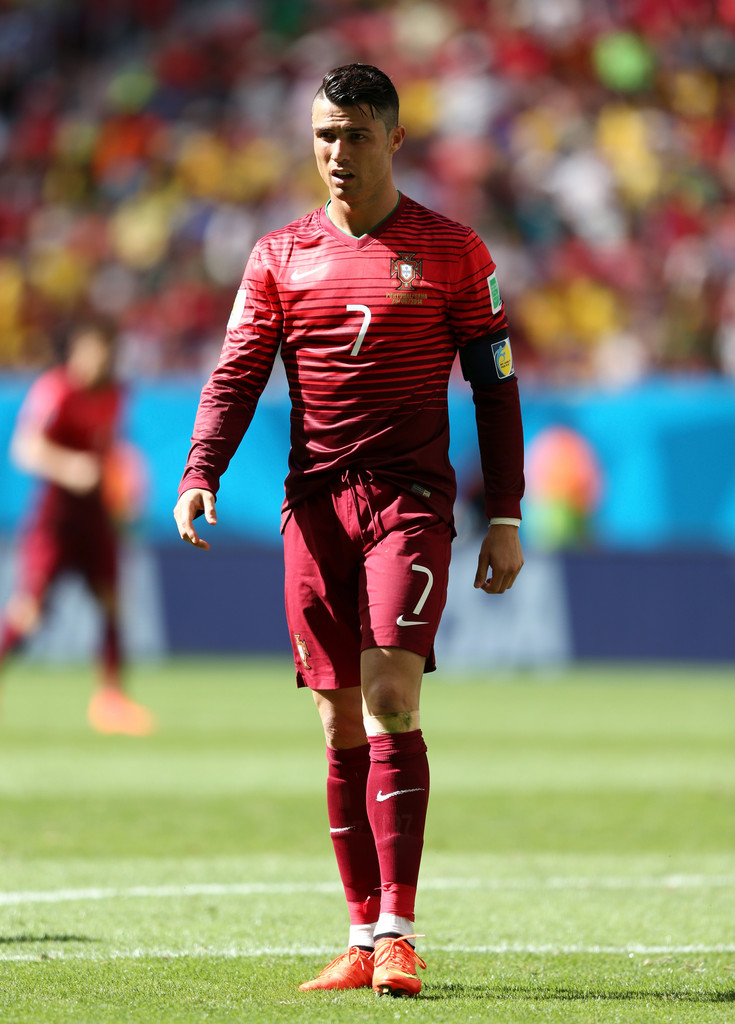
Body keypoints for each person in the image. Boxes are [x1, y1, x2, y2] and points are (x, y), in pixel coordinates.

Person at [174, 64, 524, 997]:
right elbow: (239, 372)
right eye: (326, 134)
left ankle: (401, 930)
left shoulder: (452, 251)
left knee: (390, 698)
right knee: (335, 720)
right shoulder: (278, 255)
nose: (338, 153)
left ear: (395, 140)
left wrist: (505, 512)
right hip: (314, 506)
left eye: (357, 135)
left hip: (408, 501)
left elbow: (495, 384)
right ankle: (362, 936)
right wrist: (200, 470)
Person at [0, 320, 155, 736]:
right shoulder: (56, 390)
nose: (99, 360)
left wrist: (125, 482)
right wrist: (70, 467)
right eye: (93, 351)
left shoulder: (118, 393)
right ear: (77, 353)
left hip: (95, 517)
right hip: (55, 517)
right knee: (29, 613)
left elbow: (112, 448)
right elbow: (25, 447)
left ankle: (110, 699)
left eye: (107, 352)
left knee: (111, 604)